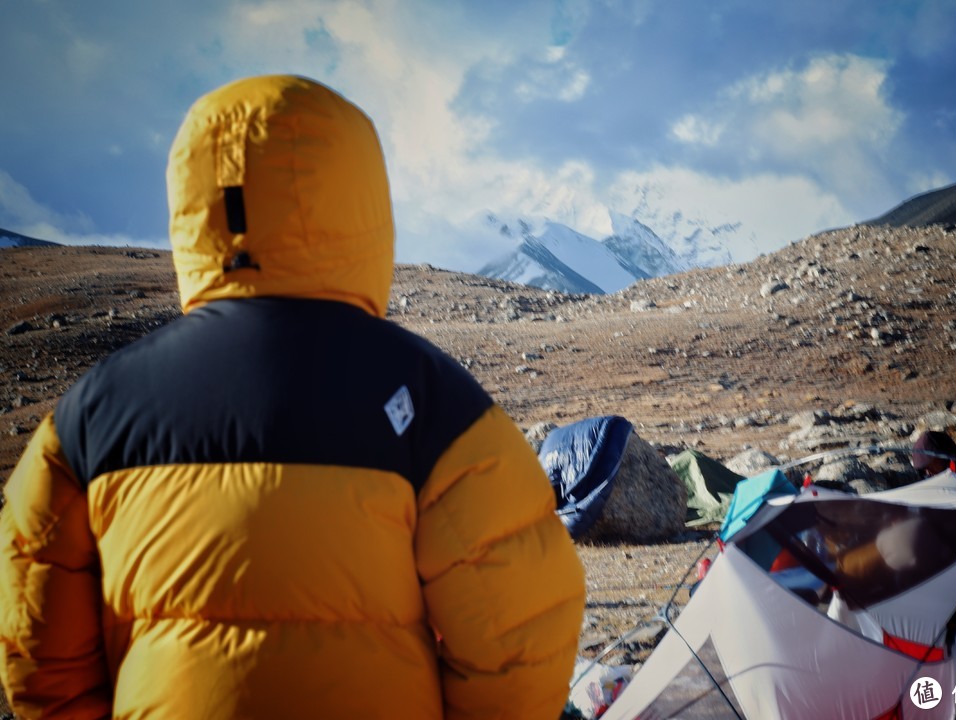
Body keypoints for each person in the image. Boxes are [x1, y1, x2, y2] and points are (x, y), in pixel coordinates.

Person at [0, 75, 585, 719]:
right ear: (364, 204)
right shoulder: (433, 401)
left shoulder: (90, 415)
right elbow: (521, 632)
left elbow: (34, 636)